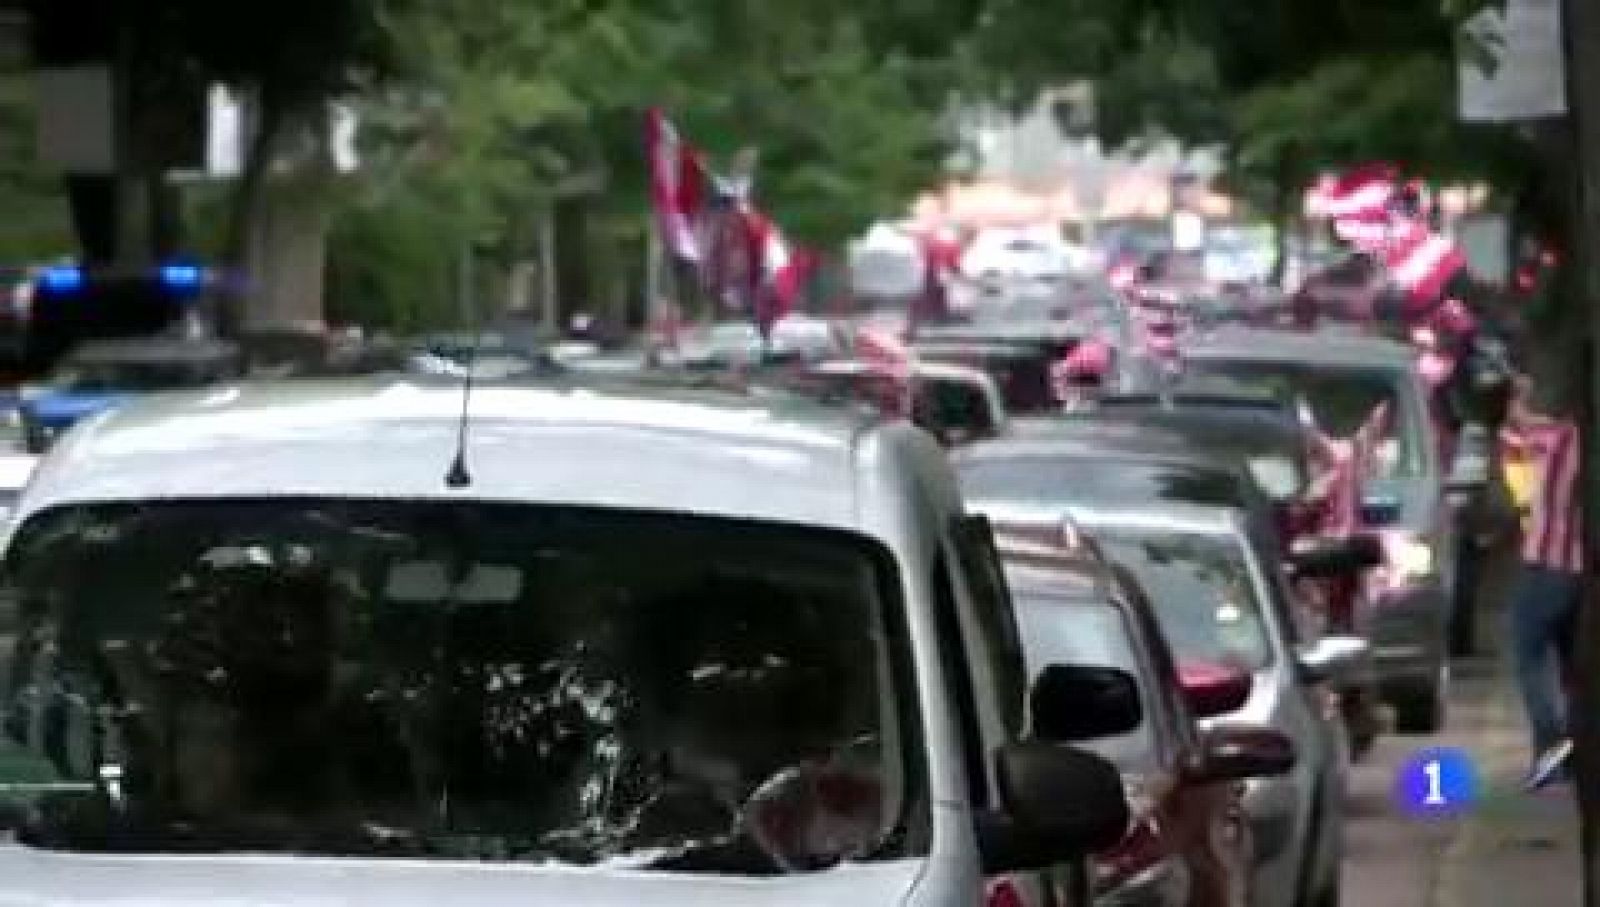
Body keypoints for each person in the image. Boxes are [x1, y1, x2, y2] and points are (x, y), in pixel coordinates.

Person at [1499, 377, 1583, 790]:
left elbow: (1515, 423)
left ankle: (1552, 748)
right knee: (1572, 665)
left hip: (1547, 564)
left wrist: (1517, 393)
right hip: (1582, 570)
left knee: (1530, 655)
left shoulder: (1561, 438)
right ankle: (1575, 751)